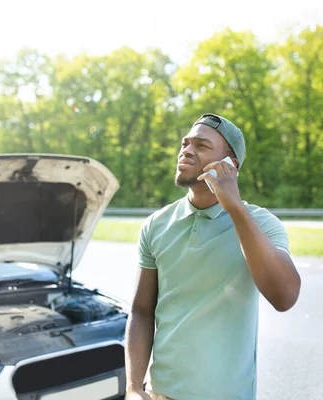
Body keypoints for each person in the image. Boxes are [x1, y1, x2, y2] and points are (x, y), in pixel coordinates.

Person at [124, 113, 301, 400]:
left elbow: (285, 297)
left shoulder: (262, 224)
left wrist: (235, 209)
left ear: (231, 164)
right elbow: (142, 310)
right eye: (185, 143)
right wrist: (133, 387)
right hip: (160, 394)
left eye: (202, 146)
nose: (187, 150)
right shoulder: (156, 225)